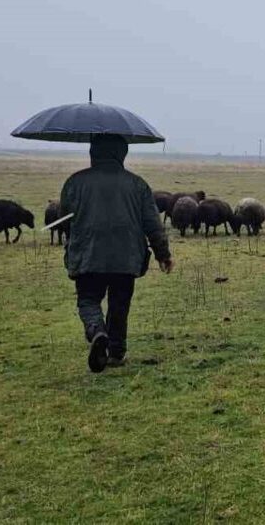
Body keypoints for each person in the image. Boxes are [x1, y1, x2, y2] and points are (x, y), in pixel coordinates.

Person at [59, 134, 174, 372]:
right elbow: (152, 223)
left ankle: (96, 330)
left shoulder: (75, 182)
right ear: (122, 153)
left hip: (88, 254)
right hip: (126, 257)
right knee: (120, 303)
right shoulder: (138, 185)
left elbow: (65, 218)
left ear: (93, 151)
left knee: (88, 299)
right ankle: (116, 353)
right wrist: (163, 254)